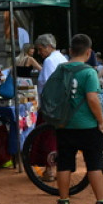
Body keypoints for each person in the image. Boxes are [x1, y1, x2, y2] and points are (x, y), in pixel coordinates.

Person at [53, 35, 103, 204]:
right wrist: (101, 121)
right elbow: (92, 98)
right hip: (87, 125)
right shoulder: (89, 72)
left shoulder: (61, 69)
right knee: (94, 164)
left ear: (70, 51)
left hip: (64, 124)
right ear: (89, 51)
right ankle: (101, 202)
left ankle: (63, 201)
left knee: (64, 163)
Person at [31, 34, 68, 181]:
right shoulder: (62, 58)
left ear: (48, 47)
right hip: (62, 105)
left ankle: (50, 170)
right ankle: (58, 169)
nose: (39, 53)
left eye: (40, 49)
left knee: (48, 138)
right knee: (58, 138)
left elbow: (47, 85)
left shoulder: (49, 61)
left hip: (51, 106)